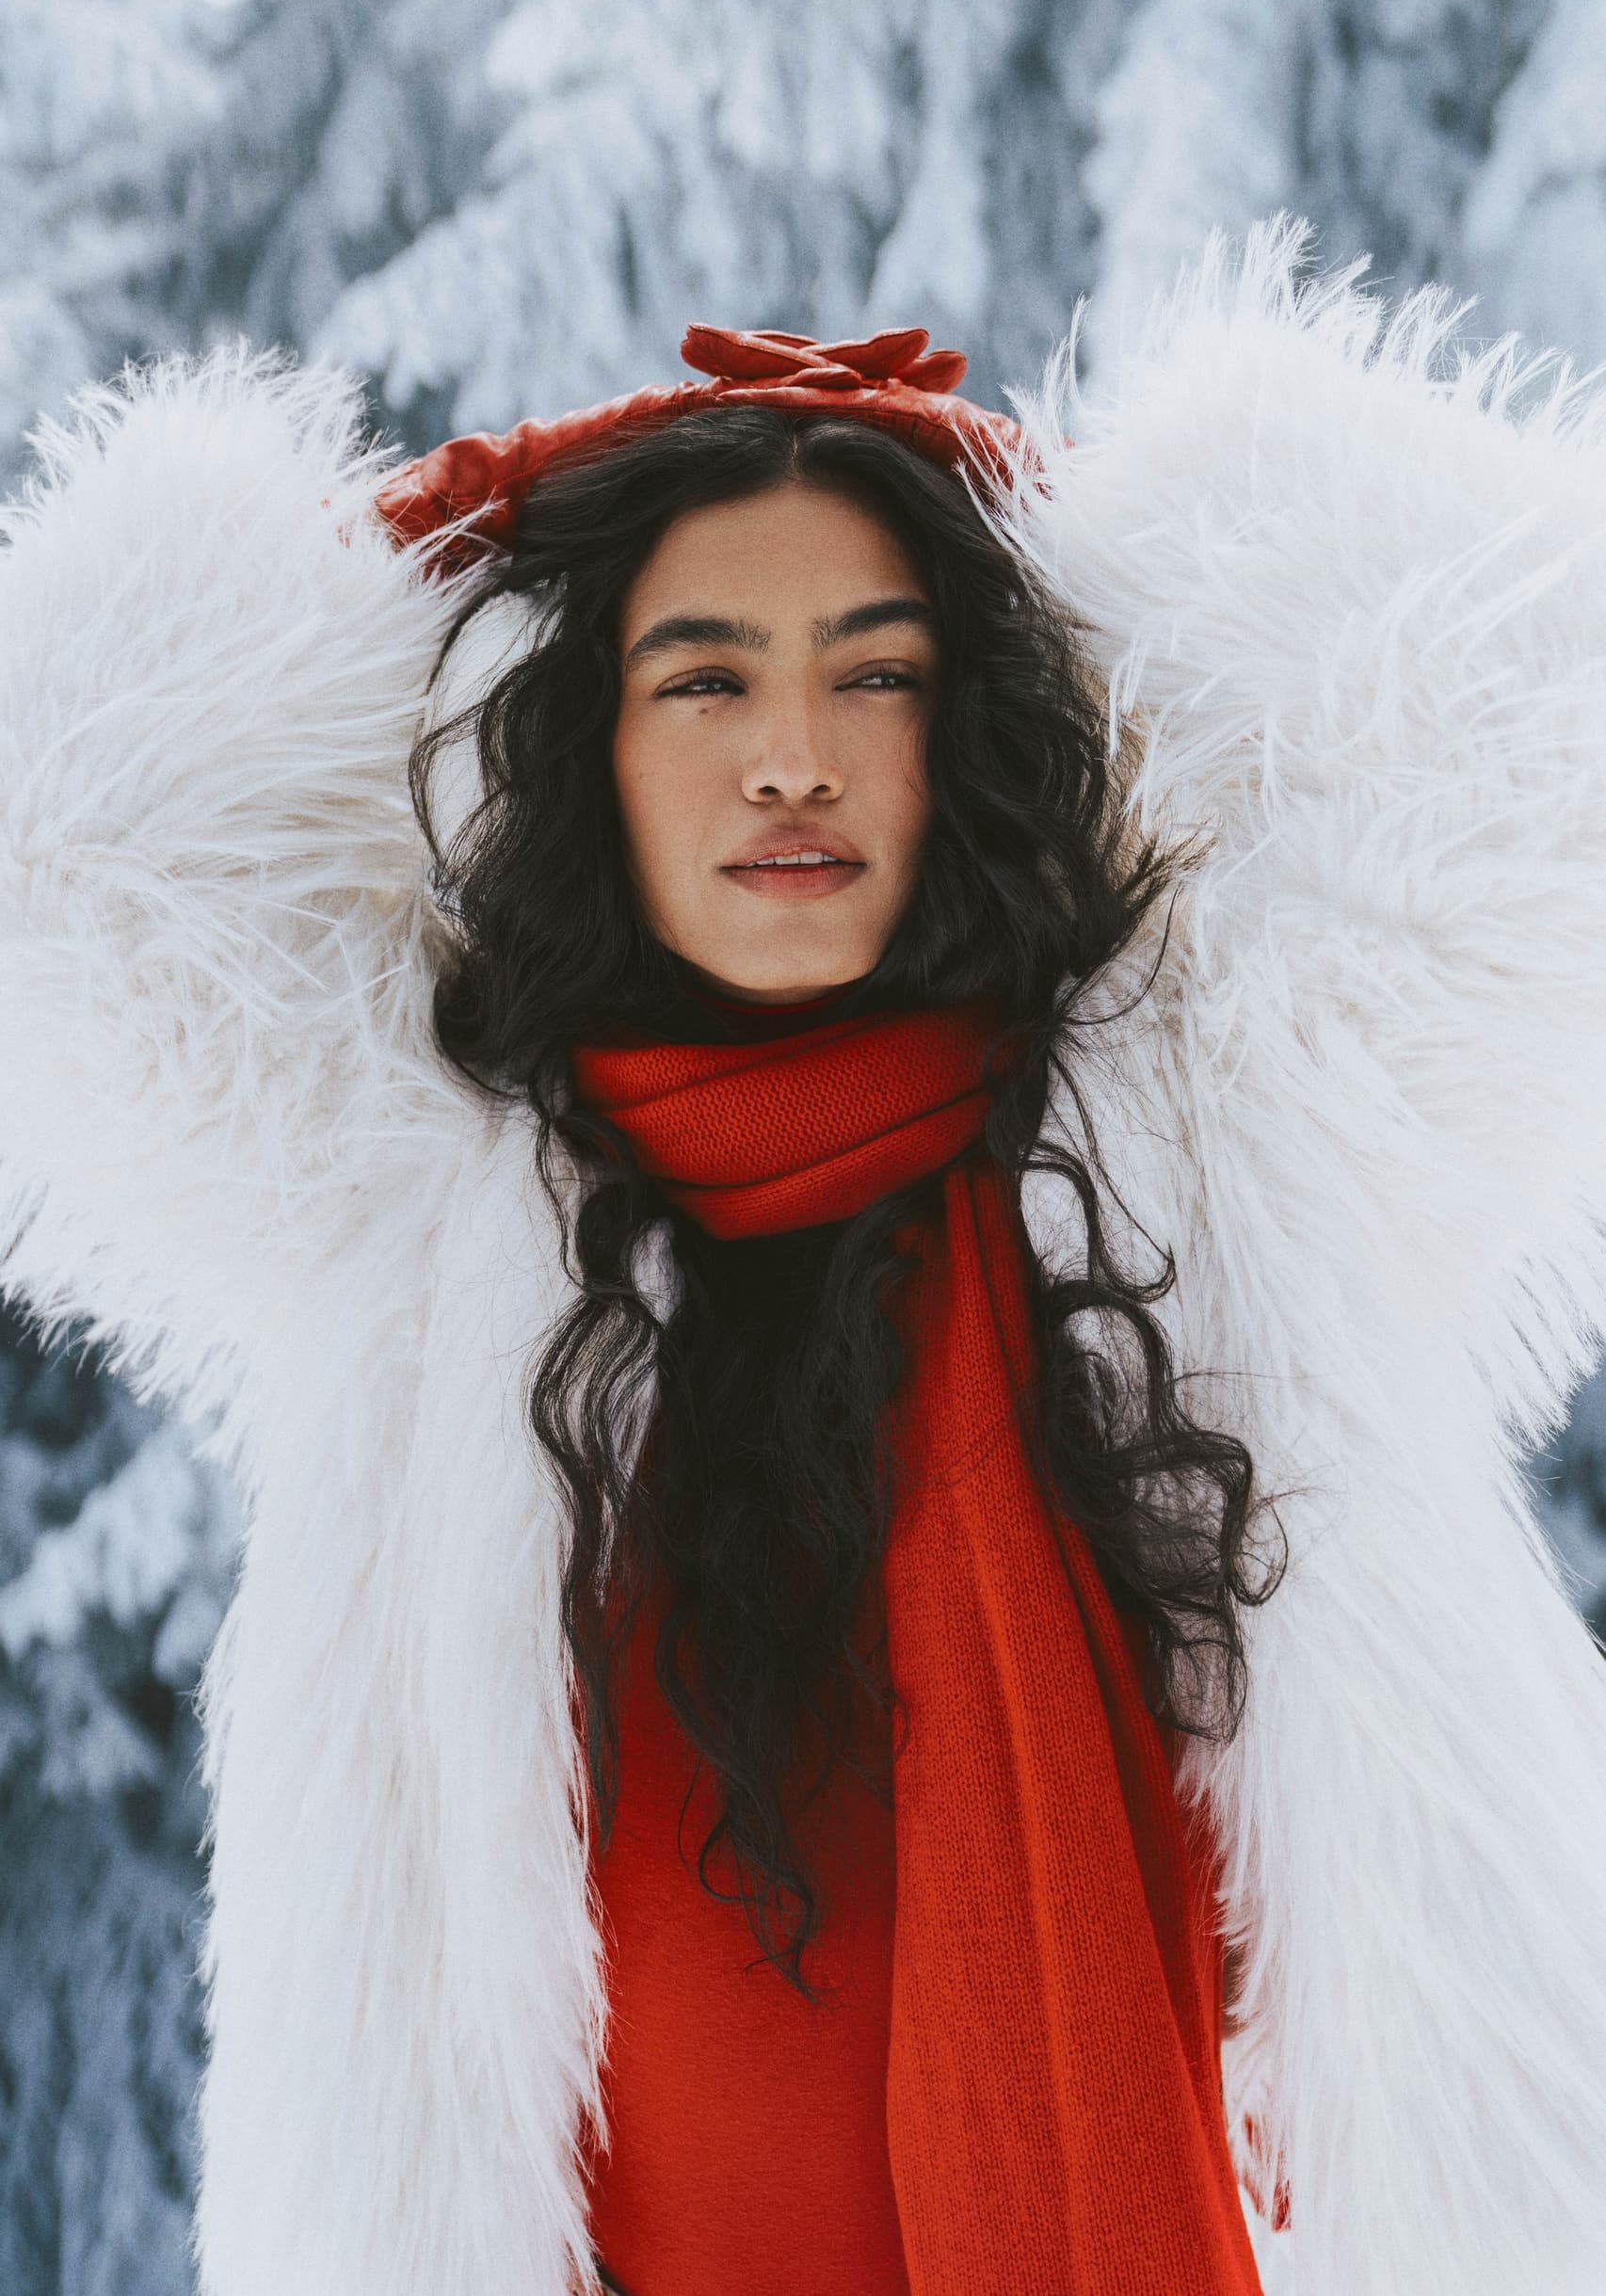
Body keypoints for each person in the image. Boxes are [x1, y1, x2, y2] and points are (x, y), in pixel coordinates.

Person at [0, 212, 1603, 2296]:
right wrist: (436, 534)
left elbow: (1539, 718)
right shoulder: (429, 1200)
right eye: (705, 676)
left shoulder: (1219, 1137)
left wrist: (1068, 528)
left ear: (969, 729)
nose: (791, 752)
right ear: (586, 736)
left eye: (876, 671)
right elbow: (52, 859)